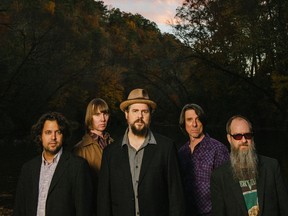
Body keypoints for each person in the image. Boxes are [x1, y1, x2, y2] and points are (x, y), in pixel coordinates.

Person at [97, 88, 185, 216]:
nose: (140, 116)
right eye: (135, 111)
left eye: (145, 111)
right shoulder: (110, 153)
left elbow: (176, 196)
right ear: (126, 114)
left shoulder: (166, 147)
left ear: (150, 115)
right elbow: (103, 201)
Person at [13, 112, 93, 216]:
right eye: (48, 132)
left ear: (63, 136)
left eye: (58, 132)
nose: (53, 137)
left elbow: (84, 211)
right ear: (40, 136)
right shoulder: (28, 169)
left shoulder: (78, 166)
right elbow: (19, 210)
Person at [211, 115, 288, 216]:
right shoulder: (219, 177)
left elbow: (285, 208)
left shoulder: (271, 167)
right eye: (237, 136)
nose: (244, 140)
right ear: (229, 139)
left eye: (247, 135)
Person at [178, 103, 230, 216]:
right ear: (184, 123)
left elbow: (228, 187)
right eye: (189, 119)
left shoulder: (218, 149)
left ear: (203, 122)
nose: (194, 124)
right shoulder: (181, 152)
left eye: (198, 119)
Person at [73, 98, 113, 214]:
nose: (102, 119)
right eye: (97, 114)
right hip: (93, 209)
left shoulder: (116, 144)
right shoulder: (79, 149)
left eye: (105, 113)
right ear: (90, 117)